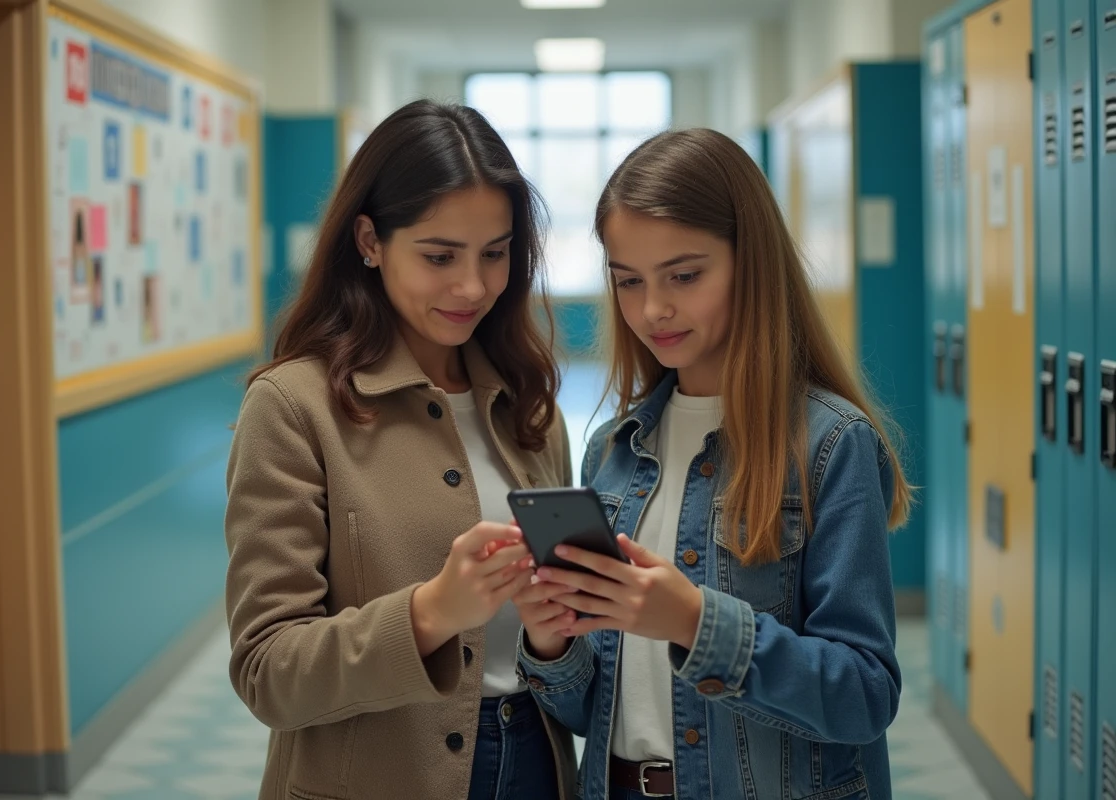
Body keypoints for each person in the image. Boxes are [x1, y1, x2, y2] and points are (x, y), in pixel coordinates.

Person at [513, 129, 910, 799]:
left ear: (749, 262)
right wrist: (550, 642)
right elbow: (593, 712)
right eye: (628, 281)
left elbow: (864, 695)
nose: (653, 309)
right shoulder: (612, 449)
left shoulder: (829, 444)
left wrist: (696, 624)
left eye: (684, 275)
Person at [224, 100, 576, 800]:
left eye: (495, 253)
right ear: (369, 240)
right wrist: (431, 612)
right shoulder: (293, 408)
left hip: (537, 763)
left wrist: (555, 639)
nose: (471, 286)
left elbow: (567, 660)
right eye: (439, 256)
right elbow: (267, 670)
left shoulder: (528, 409)